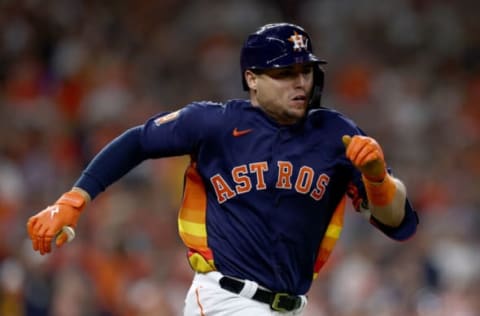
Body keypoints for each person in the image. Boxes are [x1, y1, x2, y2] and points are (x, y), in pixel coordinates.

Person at [27, 23, 418, 315]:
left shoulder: (336, 134)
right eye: (284, 74)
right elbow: (138, 141)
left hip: (293, 307)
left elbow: (398, 223)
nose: (300, 82)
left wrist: (378, 178)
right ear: (252, 79)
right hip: (226, 300)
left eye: (305, 70)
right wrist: (75, 197)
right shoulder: (214, 124)